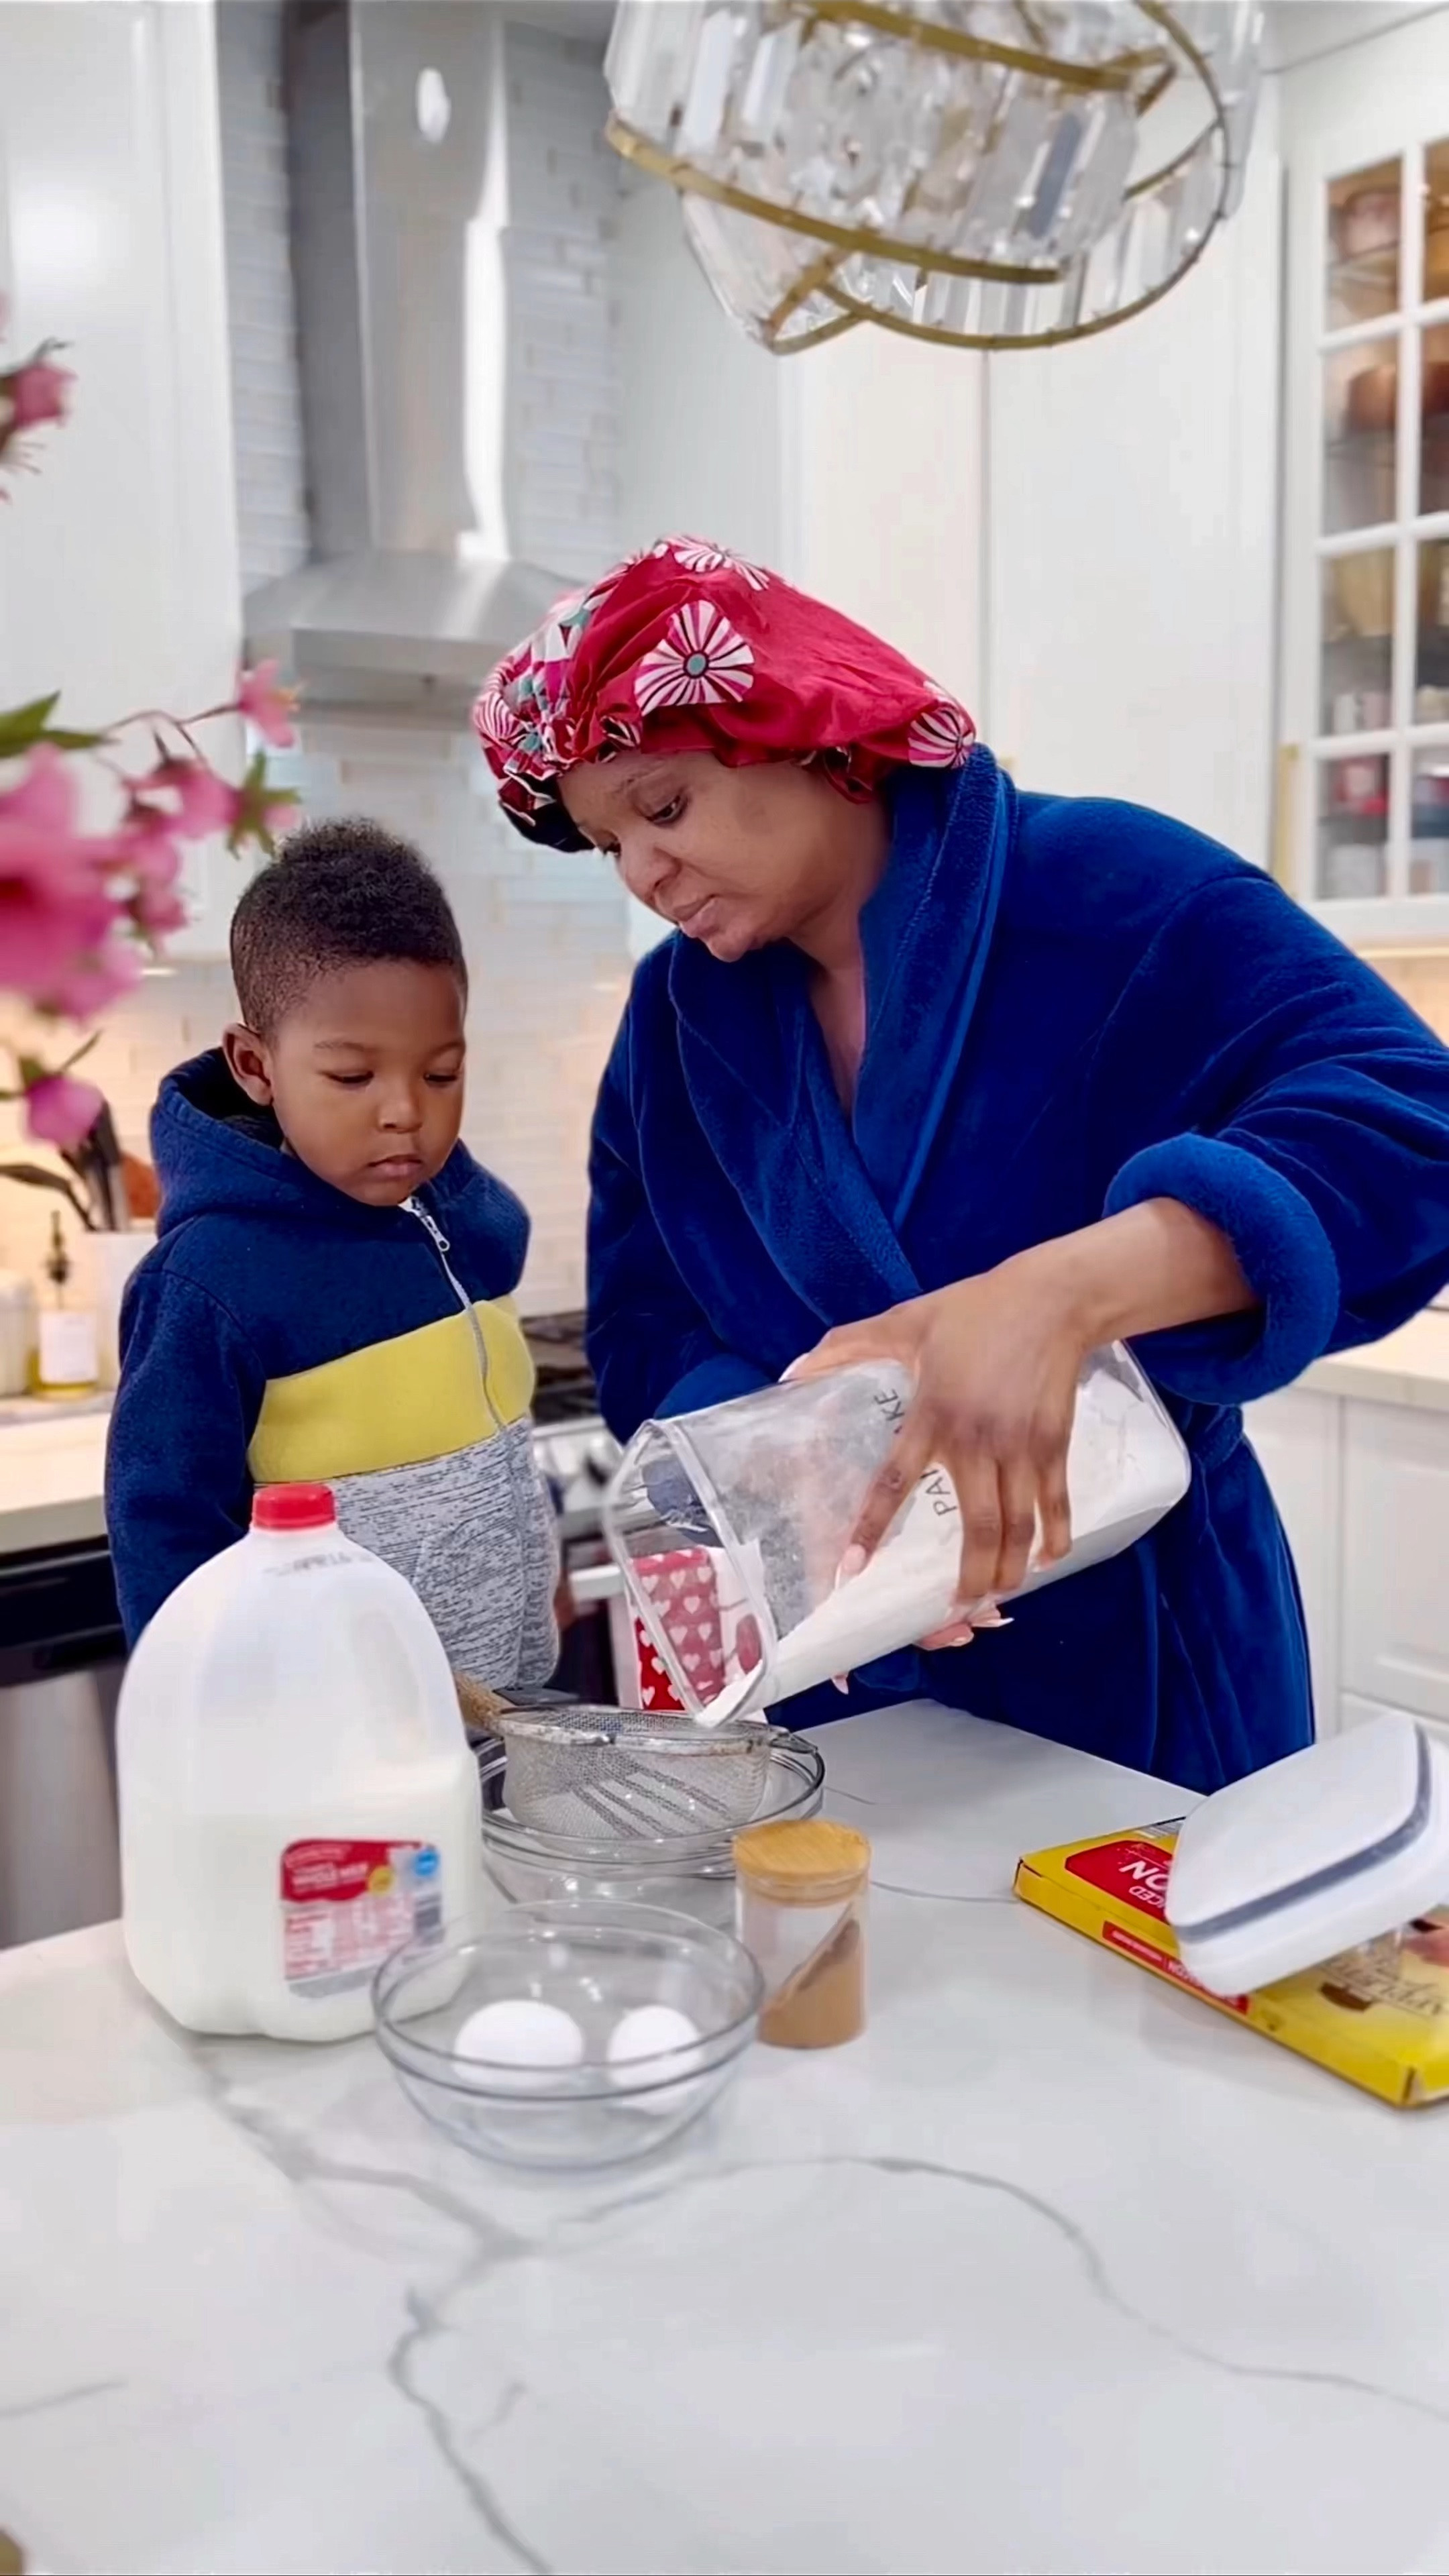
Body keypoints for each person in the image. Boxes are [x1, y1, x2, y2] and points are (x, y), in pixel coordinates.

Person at [474, 539, 1449, 1794]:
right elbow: (646, 1322)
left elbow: (1413, 1122)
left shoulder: (1116, 892)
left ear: (812, 731)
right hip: (847, 1675)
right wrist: (814, 1475)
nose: (643, 874)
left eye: (664, 807)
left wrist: (1063, 1293)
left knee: (1139, 1988)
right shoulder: (674, 1021)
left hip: (1140, 1677)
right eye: (608, 843)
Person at [106, 820, 557, 1710]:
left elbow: (494, 1404)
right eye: (352, 1077)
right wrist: (211, 1714)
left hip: (508, 1702)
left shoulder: (443, 1217)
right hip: (335, 1728)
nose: (404, 1113)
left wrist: (538, 1557)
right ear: (254, 1066)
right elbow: (164, 1531)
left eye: (442, 1074)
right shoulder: (207, 1280)